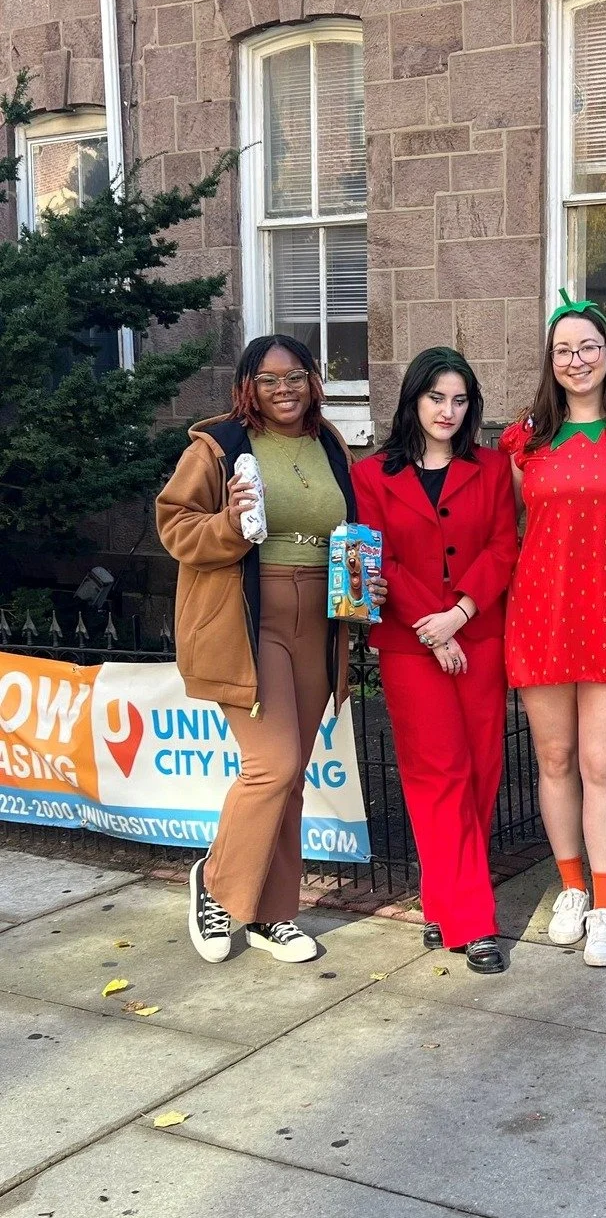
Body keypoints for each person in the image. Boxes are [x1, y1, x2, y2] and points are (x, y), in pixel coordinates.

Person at [156, 334, 384, 964]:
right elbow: (175, 524)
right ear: (247, 387)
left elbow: (344, 531)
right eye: (268, 379)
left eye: (295, 376)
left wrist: (363, 581)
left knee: (291, 778)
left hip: (319, 615)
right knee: (273, 764)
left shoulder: (330, 445)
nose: (284, 389)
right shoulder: (219, 446)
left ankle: (272, 913)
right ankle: (217, 886)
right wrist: (229, 523)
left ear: (314, 380)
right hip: (250, 621)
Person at [351, 347, 518, 975]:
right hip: (410, 647)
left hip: (478, 638)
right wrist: (433, 628)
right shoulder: (371, 477)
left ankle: (443, 901)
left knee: (480, 772)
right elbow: (379, 559)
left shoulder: (493, 468)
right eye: (436, 397)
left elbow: (504, 546)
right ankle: (475, 922)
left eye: (460, 399)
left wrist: (461, 614)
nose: (448, 411)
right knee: (437, 773)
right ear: (413, 400)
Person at [499, 291, 606, 968]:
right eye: (563, 349)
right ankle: (569, 886)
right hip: (541, 617)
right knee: (555, 761)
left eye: (588, 346)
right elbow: (505, 532)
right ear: (550, 361)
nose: (576, 359)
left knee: (601, 765)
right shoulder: (524, 440)